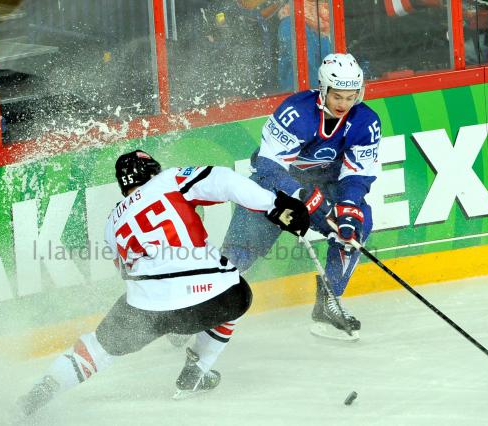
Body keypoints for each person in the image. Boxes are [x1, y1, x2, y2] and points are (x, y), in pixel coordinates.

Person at [17, 150, 309, 415]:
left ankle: (36, 397)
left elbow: (126, 271)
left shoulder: (111, 224)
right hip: (216, 299)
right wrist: (275, 205)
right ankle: (197, 370)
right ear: (152, 172)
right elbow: (223, 179)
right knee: (235, 288)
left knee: (98, 348)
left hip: (151, 311)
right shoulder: (168, 181)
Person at [222, 52, 381, 341]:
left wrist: (346, 207)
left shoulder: (366, 123)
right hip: (274, 187)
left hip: (325, 185)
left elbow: (357, 175)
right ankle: (193, 306)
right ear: (323, 88)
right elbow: (269, 166)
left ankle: (328, 302)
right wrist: (299, 194)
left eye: (351, 96)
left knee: (357, 224)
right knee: (236, 256)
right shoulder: (296, 112)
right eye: (337, 96)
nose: (344, 104)